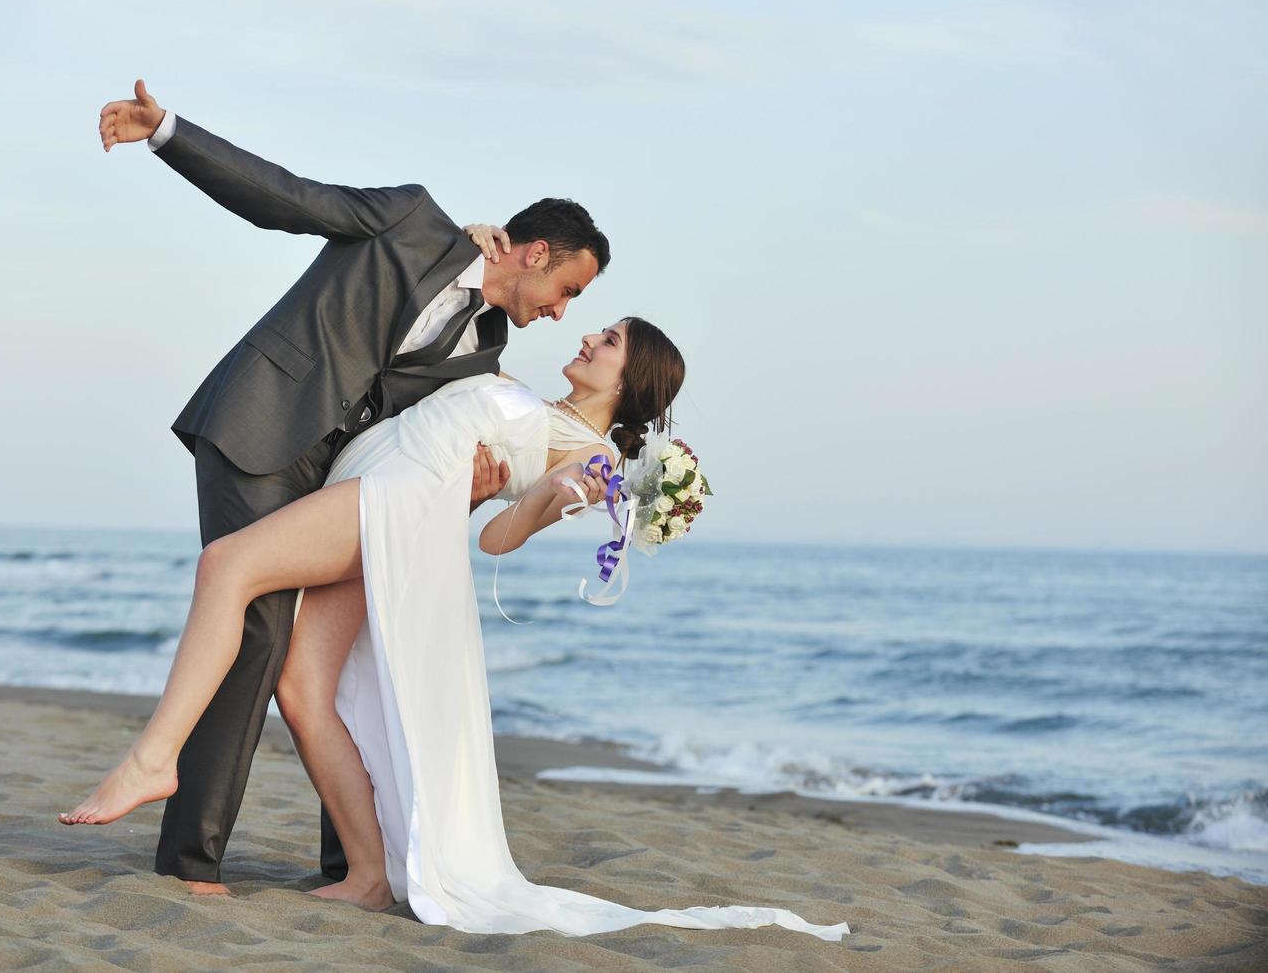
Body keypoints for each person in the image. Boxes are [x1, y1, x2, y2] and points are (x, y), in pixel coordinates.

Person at [59, 317, 851, 942]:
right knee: (302, 689)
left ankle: (152, 757)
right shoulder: (534, 402)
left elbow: (498, 539)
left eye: (607, 341)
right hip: (378, 487)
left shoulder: (591, 457)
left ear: (631, 377)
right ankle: (368, 875)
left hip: (397, 501)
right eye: (598, 329)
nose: (588, 338)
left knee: (225, 567)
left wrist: (558, 497)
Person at [94, 80, 609, 896]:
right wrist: (169, 136)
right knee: (260, 635)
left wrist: (479, 485)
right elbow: (286, 198)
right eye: (569, 290)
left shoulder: (485, 350)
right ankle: (190, 860)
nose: (562, 312)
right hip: (258, 427)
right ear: (535, 252)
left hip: (338, 478)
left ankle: (355, 867)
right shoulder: (413, 220)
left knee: (339, 661)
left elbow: (439, 442)